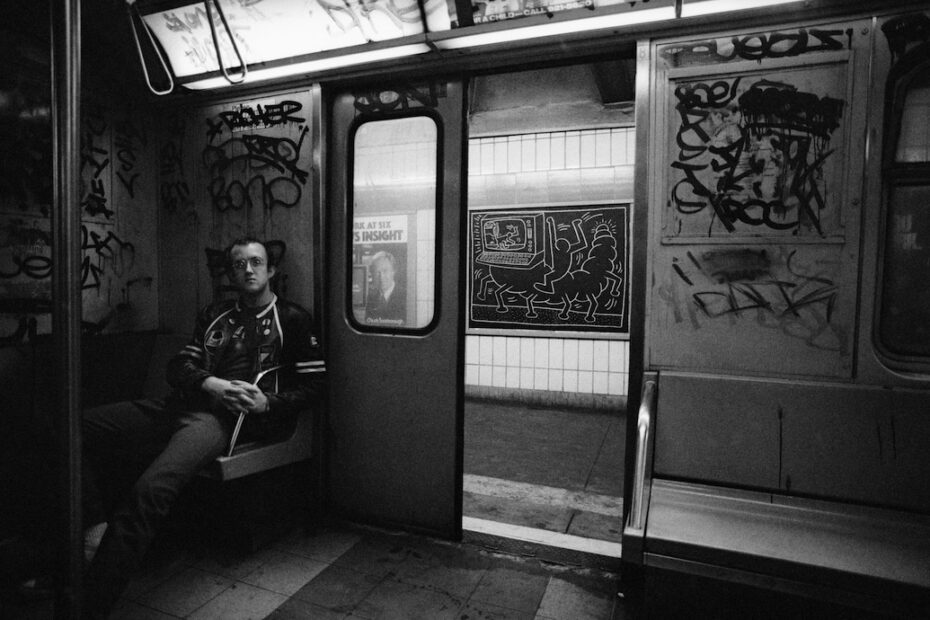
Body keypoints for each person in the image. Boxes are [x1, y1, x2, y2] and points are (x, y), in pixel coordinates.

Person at [81, 236, 325, 618]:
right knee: (77, 427)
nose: (248, 269)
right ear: (231, 273)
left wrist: (267, 402)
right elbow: (178, 368)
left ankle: (90, 603)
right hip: (177, 406)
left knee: (150, 490)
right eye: (239, 264)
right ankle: (93, 524)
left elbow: (314, 387)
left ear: (271, 270)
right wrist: (212, 383)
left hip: (219, 421)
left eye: (256, 262)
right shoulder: (215, 314)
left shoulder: (292, 319)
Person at [364, 251, 405, 324]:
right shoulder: (370, 298)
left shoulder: (405, 296)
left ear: (394, 271)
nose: (381, 277)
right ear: (372, 274)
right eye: (377, 272)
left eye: (385, 271)